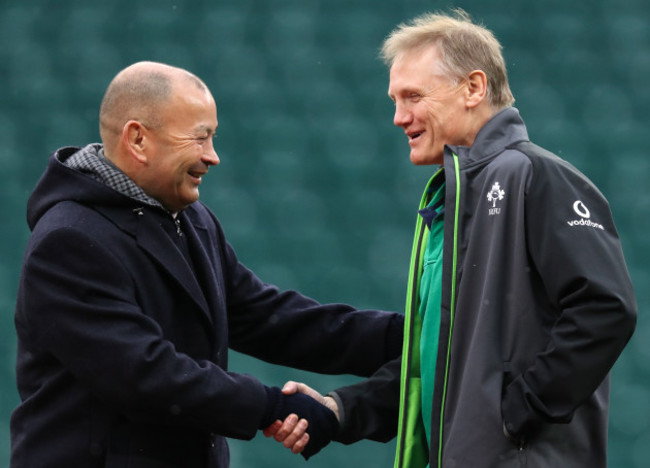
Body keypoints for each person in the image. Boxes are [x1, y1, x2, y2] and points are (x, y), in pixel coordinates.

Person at [273, 9, 637, 468]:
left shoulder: (536, 176)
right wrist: (341, 410)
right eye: (394, 100)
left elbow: (606, 308)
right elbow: (443, 365)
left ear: (474, 88)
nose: (398, 117)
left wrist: (516, 413)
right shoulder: (450, 200)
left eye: (413, 97)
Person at [10, 61, 404, 468]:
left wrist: (404, 338)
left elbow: (267, 317)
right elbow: (144, 373)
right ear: (138, 139)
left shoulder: (190, 219)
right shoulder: (69, 241)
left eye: (212, 137)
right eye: (199, 138)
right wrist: (269, 406)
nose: (212, 156)